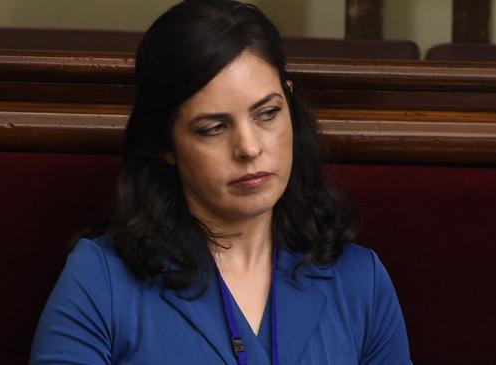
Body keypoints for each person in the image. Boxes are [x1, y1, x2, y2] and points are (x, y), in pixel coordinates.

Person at [29, 0, 411, 364]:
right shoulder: (101, 278)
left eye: (268, 113)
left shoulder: (361, 281)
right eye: (213, 128)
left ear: (289, 106)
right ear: (166, 144)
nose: (248, 147)